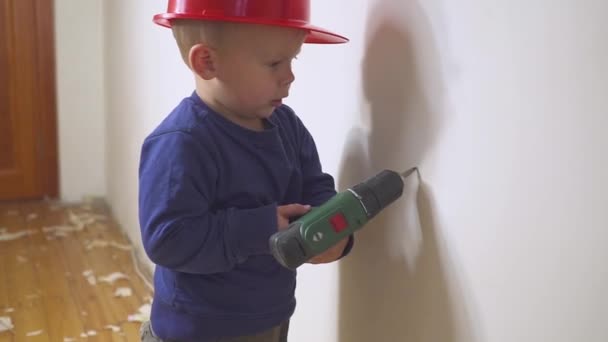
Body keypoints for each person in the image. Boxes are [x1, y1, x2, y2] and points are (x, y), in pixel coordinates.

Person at [138, 1, 353, 341]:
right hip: (197, 330)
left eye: (292, 59)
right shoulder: (181, 143)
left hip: (271, 314)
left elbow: (314, 185)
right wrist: (261, 229)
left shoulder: (288, 128)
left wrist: (333, 229)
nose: (290, 76)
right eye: (274, 63)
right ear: (207, 62)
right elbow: (168, 240)